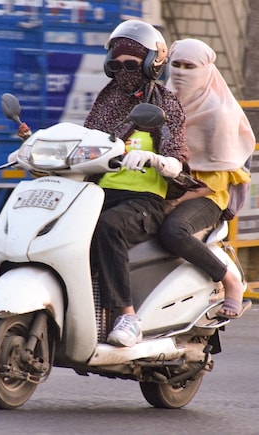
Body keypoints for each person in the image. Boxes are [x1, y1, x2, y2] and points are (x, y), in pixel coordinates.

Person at [83, 20, 188, 347]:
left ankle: (128, 316)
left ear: (150, 63)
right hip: (100, 193)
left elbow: (177, 158)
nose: (123, 71)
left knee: (109, 228)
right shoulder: (107, 100)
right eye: (116, 65)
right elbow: (86, 139)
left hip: (144, 200)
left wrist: (156, 160)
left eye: (131, 64)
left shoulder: (165, 103)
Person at [159, 38, 256, 319]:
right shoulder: (161, 100)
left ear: (206, 69)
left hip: (206, 194)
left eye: (190, 66)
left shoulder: (219, 113)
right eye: (175, 64)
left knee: (173, 232)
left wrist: (177, 200)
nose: (180, 71)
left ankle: (230, 281)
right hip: (164, 187)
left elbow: (216, 181)